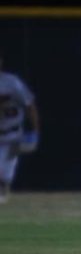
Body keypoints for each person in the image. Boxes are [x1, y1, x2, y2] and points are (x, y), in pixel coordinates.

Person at [0, 51, 41, 203]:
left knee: (4, 171)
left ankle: (3, 189)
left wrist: (35, 130)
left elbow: (30, 105)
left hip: (12, 134)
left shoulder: (12, 82)